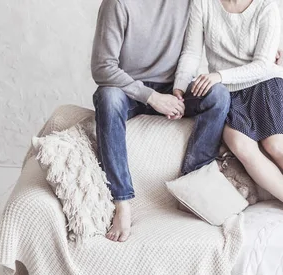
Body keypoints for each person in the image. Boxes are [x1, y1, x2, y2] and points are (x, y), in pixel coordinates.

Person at [174, 0, 283, 240]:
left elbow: (262, 65)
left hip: (265, 84)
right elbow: (191, 52)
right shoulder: (203, 4)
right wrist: (179, 88)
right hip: (229, 93)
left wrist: (218, 75)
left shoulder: (266, 7)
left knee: (277, 147)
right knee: (242, 149)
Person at [90, 0, 232, 243]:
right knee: (107, 96)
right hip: (130, 89)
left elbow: (231, 15)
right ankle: (122, 201)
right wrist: (152, 98)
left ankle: (193, 184)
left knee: (218, 95)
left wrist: (269, 48)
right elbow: (102, 68)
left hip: (175, 87)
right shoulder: (118, 4)